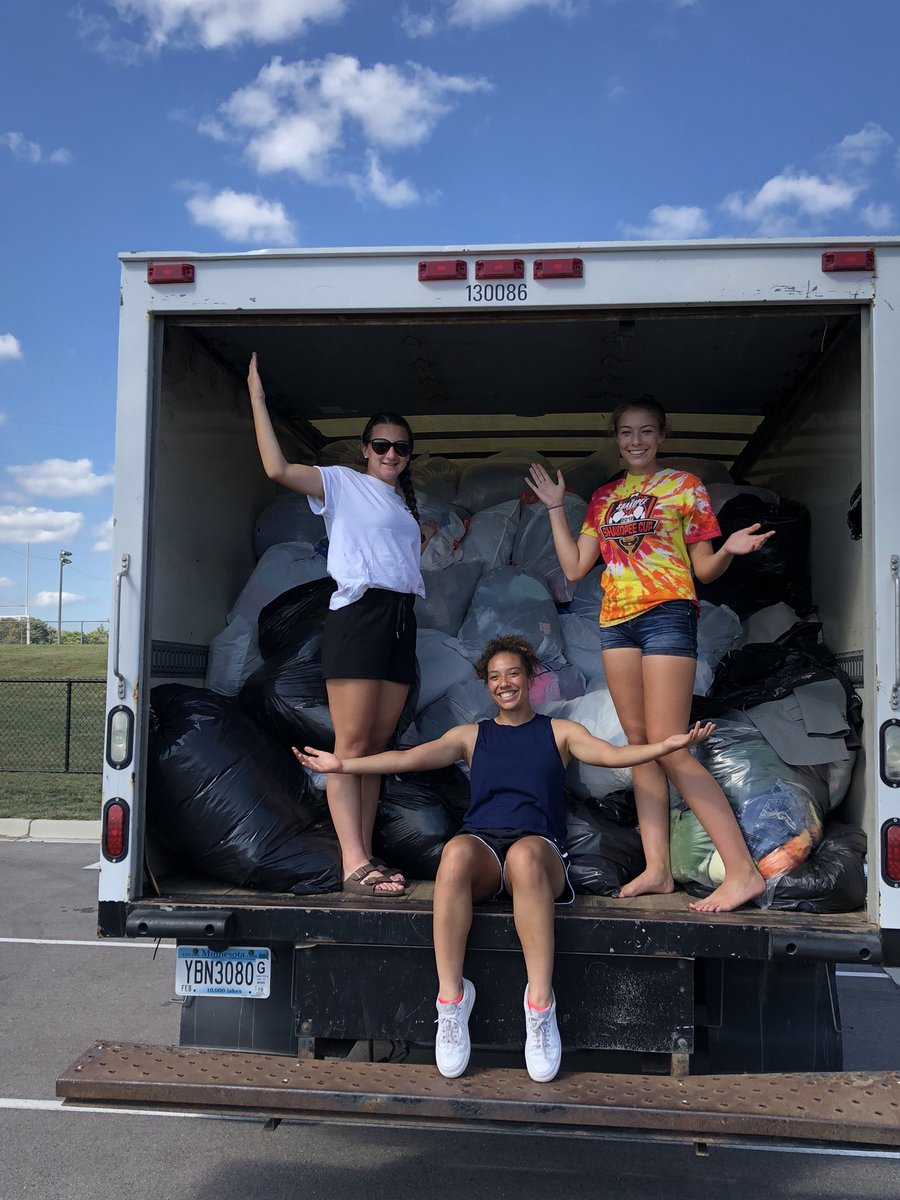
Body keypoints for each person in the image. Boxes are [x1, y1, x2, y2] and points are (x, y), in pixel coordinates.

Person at [295, 633, 715, 1082]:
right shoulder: (471, 736)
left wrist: (667, 746)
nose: (504, 683)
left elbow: (614, 756)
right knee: (455, 852)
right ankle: (452, 1002)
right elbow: (407, 759)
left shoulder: (560, 732)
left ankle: (540, 1006)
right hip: (485, 849)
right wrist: (342, 765)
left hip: (539, 852)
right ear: (487, 684)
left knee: (525, 856)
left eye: (513, 673)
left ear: (530, 678)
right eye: (495, 677)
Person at [527, 397, 774, 914]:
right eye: (626, 432)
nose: (635, 441)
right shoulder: (604, 497)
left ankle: (742, 872)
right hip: (616, 622)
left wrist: (729, 550)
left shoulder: (684, 486)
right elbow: (573, 568)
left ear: (661, 435)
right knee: (639, 745)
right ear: (615, 438)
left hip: (667, 614)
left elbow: (704, 570)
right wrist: (554, 507)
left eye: (645, 431)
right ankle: (657, 868)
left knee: (670, 746)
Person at [247, 352, 434, 897]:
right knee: (350, 745)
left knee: (376, 749)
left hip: (400, 619)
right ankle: (352, 861)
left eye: (400, 447)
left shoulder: (402, 504)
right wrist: (257, 398)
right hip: (359, 616)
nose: (391, 454)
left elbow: (396, 560)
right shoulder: (342, 483)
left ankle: (367, 852)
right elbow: (277, 470)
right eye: (381, 445)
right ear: (365, 449)